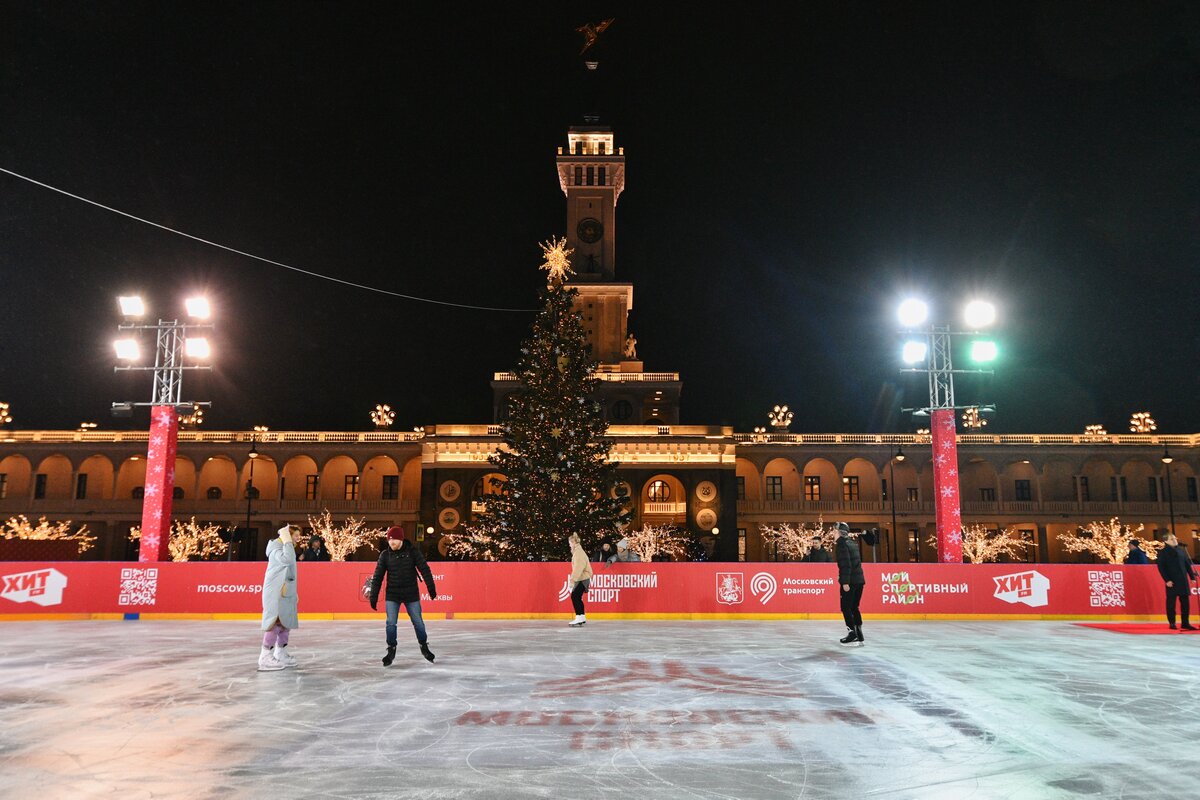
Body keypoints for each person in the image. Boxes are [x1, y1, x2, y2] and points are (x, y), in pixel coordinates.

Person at [370, 526, 438, 665]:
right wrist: (373, 596)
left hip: (410, 593)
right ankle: (391, 649)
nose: (391, 542)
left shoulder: (413, 552)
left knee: (418, 622)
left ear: (400, 539)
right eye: (389, 540)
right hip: (393, 594)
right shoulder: (385, 555)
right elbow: (378, 577)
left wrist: (431, 588)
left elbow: (425, 569)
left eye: (394, 539)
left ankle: (423, 646)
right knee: (390, 623)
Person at [258, 524, 300, 671]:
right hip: (275, 594)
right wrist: (287, 540)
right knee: (274, 623)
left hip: (285, 593)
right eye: (295, 535)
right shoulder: (276, 549)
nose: (298, 538)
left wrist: (293, 593)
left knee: (285, 623)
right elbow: (287, 560)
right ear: (287, 536)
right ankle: (265, 656)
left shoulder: (286, 548)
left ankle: (280, 652)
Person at [1156, 532, 1196, 630]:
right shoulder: (1163, 552)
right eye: (1172, 539)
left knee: (1185, 603)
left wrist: (1192, 577)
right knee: (1171, 603)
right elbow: (1161, 567)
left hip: (1183, 580)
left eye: (1175, 538)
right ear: (1165, 541)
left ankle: (1185, 623)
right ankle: (1172, 623)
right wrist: (1167, 580)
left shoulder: (1181, 550)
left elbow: (1187, 564)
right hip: (1172, 581)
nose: (1175, 540)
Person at [834, 522, 865, 646]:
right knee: (854, 607)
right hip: (859, 580)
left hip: (850, 582)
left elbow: (846, 564)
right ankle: (859, 634)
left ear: (839, 532)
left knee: (846, 607)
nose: (833, 533)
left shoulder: (841, 545)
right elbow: (855, 563)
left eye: (834, 531)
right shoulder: (853, 543)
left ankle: (852, 633)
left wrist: (845, 581)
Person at [567, 533, 593, 627]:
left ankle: (579, 617)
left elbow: (578, 568)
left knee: (574, 596)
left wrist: (572, 580)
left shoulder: (578, 553)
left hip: (583, 578)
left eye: (570, 542)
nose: (569, 544)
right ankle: (581, 616)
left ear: (573, 542)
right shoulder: (578, 551)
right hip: (583, 578)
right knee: (577, 597)